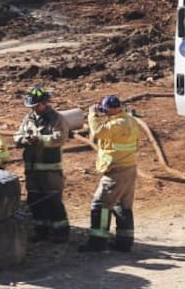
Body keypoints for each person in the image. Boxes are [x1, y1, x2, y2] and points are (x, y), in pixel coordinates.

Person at [79, 95, 142, 253]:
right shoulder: (130, 120)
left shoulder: (118, 123)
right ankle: (124, 242)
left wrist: (92, 115)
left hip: (116, 171)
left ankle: (97, 242)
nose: (104, 112)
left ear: (114, 109)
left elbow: (98, 132)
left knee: (101, 205)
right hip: (129, 168)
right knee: (123, 205)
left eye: (106, 110)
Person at [13, 86, 71, 243]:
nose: (34, 109)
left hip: (50, 169)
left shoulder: (56, 118)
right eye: (31, 106)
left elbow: (60, 138)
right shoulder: (28, 118)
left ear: (45, 103)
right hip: (32, 170)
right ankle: (41, 231)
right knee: (35, 200)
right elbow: (17, 136)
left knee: (53, 200)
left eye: (36, 105)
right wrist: (24, 139)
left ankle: (61, 232)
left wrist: (40, 140)